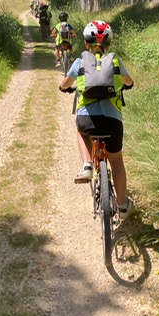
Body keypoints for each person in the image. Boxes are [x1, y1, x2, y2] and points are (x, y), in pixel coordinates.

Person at [59, 20, 135, 220]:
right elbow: (129, 81)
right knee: (116, 160)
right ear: (108, 45)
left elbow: (64, 84)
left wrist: (65, 88)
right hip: (112, 122)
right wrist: (127, 85)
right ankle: (122, 205)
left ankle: (86, 165)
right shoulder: (116, 61)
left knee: (81, 131)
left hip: (87, 120)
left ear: (86, 43)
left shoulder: (79, 62)